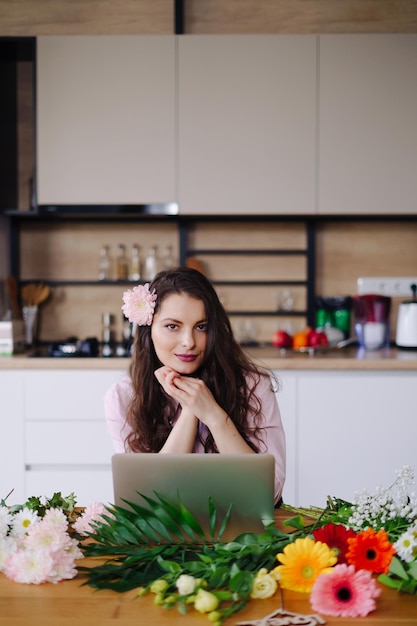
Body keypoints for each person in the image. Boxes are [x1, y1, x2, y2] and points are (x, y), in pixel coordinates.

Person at [104, 267, 286, 505]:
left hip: (245, 529)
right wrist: (190, 409)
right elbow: (149, 502)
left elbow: (268, 494)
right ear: (149, 331)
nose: (189, 342)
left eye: (201, 327)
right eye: (172, 326)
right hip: (165, 535)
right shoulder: (124, 396)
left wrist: (212, 414)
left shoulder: (253, 385)